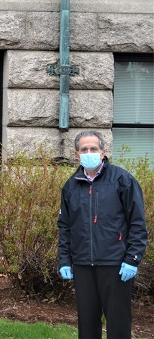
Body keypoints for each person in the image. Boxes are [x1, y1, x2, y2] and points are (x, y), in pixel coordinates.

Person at [58, 130, 148, 339]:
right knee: (87, 325)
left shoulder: (123, 180)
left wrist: (132, 259)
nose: (89, 152)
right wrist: (64, 260)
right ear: (76, 155)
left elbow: (137, 224)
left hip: (115, 265)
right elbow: (65, 227)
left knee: (118, 325)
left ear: (103, 151)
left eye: (93, 148)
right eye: (84, 149)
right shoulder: (71, 186)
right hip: (82, 266)